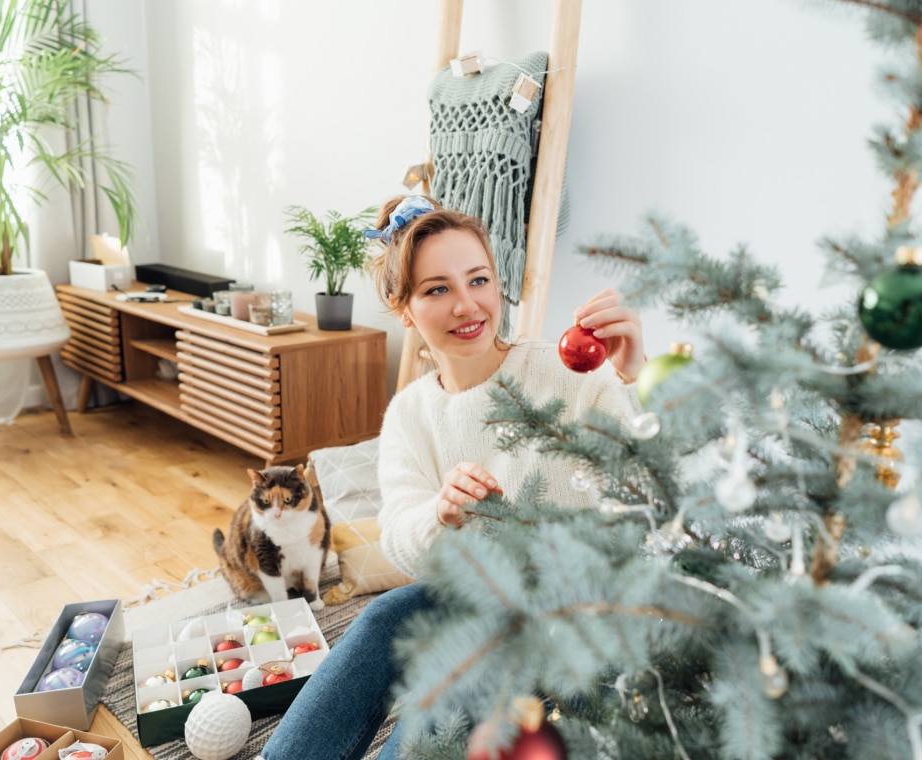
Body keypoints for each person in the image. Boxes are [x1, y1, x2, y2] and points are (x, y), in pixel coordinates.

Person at [258, 195, 646, 760]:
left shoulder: (568, 376)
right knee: (386, 613)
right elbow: (399, 539)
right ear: (403, 308)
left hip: (569, 615)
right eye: (437, 289)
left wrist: (628, 382)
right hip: (473, 597)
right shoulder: (411, 414)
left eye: (479, 280)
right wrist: (440, 514)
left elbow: (643, 501)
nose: (468, 306)